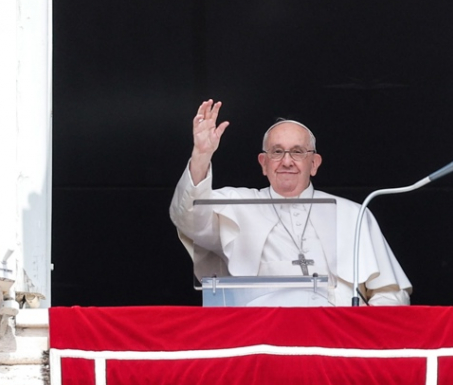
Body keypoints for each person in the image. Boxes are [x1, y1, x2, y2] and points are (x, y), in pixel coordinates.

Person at [170, 100, 412, 306]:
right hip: (261, 340)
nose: (286, 161)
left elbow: (390, 292)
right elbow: (188, 217)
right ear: (263, 163)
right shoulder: (236, 204)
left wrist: (359, 330)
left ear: (314, 163)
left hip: (336, 341)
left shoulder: (353, 214)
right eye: (277, 152)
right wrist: (201, 154)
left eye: (297, 152)